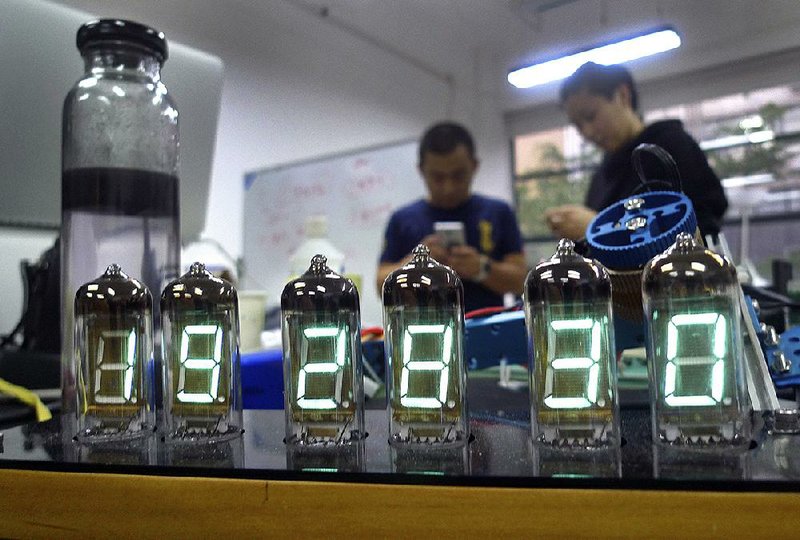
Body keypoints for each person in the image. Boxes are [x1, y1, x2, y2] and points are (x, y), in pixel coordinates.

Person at [545, 62, 728, 241]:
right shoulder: (602, 176)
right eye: (577, 125)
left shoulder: (670, 148)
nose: (587, 132)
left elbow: (701, 227)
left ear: (623, 96)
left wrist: (599, 229)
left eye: (591, 116)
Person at [377, 122, 527, 311]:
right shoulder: (402, 219)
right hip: (423, 332)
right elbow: (380, 286)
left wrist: (481, 268)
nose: (448, 187)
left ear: (474, 166)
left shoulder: (498, 212)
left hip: (487, 332)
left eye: (458, 175)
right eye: (438, 177)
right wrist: (415, 266)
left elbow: (520, 281)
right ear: (421, 171)